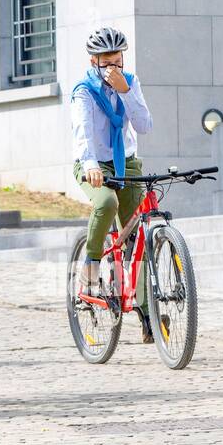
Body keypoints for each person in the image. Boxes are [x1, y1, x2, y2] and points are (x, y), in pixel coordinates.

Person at [70, 26, 156, 340]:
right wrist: (90, 164)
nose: (111, 63)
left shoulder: (131, 84)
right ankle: (91, 265)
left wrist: (126, 92)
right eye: (105, 58)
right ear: (94, 60)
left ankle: (149, 314)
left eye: (116, 56)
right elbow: (83, 132)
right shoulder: (84, 91)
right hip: (93, 163)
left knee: (139, 240)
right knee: (106, 202)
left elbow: (144, 125)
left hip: (127, 163)